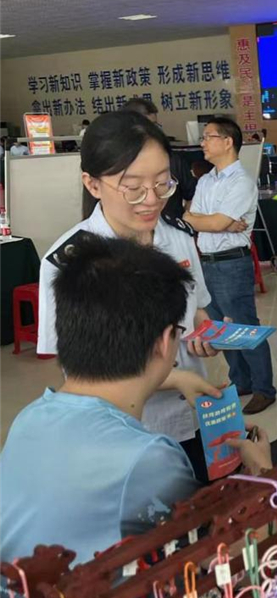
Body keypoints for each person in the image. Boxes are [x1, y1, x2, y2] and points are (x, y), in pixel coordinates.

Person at [1, 234, 271, 598]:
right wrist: (262, 476)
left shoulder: (29, 418)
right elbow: (214, 564)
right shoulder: (148, 458)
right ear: (165, 342)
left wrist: (176, 380)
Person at [38, 110, 221, 479]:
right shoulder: (68, 263)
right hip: (125, 433)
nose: (151, 200)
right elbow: (79, 372)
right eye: (133, 187)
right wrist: (173, 379)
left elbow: (197, 310)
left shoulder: (179, 237)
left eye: (162, 183)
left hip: (192, 418)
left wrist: (209, 333)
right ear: (92, 184)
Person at [185, 116, 277, 416]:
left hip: (231, 263)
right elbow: (189, 217)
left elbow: (214, 222)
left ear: (227, 142)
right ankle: (241, 381)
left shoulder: (241, 181)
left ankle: (264, 389)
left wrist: (215, 222)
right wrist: (215, 222)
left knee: (244, 326)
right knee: (217, 327)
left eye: (208, 137)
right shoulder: (205, 181)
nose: (202, 143)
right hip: (206, 262)